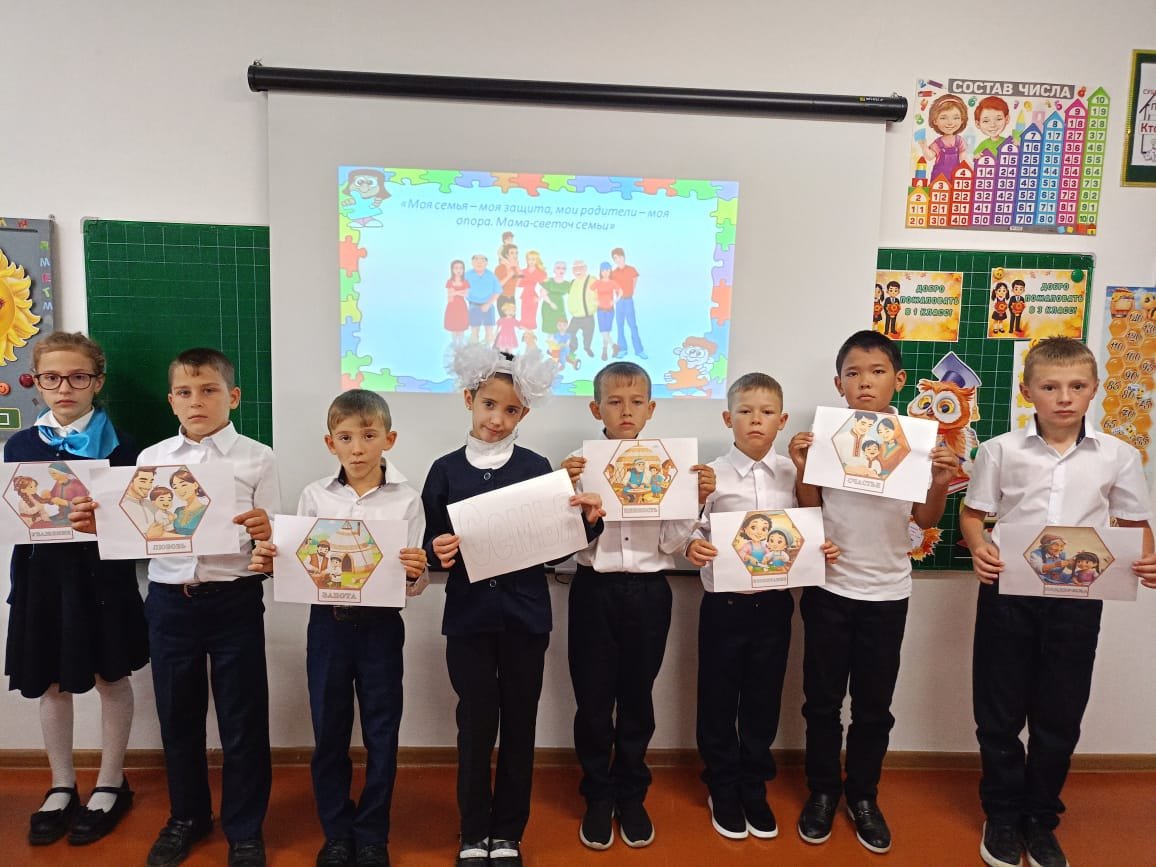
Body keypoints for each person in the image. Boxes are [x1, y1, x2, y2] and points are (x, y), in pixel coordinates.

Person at [73, 347, 279, 867]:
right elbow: (138, 531)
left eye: (209, 390)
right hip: (169, 603)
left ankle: (245, 828)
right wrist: (103, 527)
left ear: (233, 396)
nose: (197, 401)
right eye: (185, 392)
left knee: (243, 720)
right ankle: (187, 817)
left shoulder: (258, 458)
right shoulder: (151, 459)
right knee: (178, 717)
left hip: (234, 601)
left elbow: (274, 543)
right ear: (171, 401)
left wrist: (267, 533)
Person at [959, 336, 1156, 867]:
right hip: (1008, 595)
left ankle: (1040, 819)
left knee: (1060, 713)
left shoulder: (1118, 455)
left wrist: (1148, 559)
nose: (1064, 397)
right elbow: (974, 517)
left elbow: (1135, 525)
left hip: (1077, 601)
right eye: (1050, 387)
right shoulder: (999, 450)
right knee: (998, 712)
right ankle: (1002, 815)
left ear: (1094, 389)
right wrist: (979, 548)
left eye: (1076, 386)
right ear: (1027, 392)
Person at [423, 344, 605, 867]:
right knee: (475, 726)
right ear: (469, 399)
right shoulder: (444, 470)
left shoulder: (535, 467)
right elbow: (432, 545)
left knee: (520, 724)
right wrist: (438, 551)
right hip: (468, 620)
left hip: (525, 619)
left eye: (511, 410)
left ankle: (507, 833)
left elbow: (556, 546)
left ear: (524, 414)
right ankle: (472, 831)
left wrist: (588, 520)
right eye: (489, 405)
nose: (497, 419)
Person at [789, 330, 957, 854]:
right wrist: (802, 468)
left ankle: (863, 795)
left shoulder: (916, 443)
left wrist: (939, 481)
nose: (865, 382)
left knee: (874, 708)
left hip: (887, 594)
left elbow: (925, 519)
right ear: (838, 383)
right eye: (853, 374)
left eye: (877, 372)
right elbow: (810, 509)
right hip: (829, 589)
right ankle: (822, 791)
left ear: (898, 380)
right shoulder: (828, 438)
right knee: (821, 702)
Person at [250, 390, 429, 867]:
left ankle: (372, 835)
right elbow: (299, 564)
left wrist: (416, 572)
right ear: (330, 443)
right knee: (329, 732)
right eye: (346, 438)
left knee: (381, 733)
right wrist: (275, 561)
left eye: (369, 436)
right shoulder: (315, 495)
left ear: (388, 439)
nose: (357, 448)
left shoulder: (408, 499)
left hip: (380, 629)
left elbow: (413, 580)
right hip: (327, 626)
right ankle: (336, 832)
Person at [561, 361, 713, 851]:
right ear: (596, 409)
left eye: (636, 402)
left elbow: (671, 542)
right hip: (594, 591)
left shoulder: (670, 466)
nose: (625, 411)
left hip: (649, 593)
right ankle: (597, 793)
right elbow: (564, 546)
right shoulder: (575, 467)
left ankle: (631, 792)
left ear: (651, 409)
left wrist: (695, 498)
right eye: (614, 401)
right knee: (592, 702)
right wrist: (565, 495)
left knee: (637, 699)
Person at [6, 331, 147, 848]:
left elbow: (140, 525)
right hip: (42, 581)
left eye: (78, 377)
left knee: (112, 673)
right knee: (49, 681)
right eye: (52, 377)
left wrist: (103, 523)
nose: (65, 388)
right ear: (38, 383)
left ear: (97, 382)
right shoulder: (20, 446)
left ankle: (111, 781)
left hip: (103, 579)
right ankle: (61, 784)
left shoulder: (126, 447)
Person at [683, 373, 838, 841]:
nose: (756, 420)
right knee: (717, 698)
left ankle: (754, 783)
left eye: (767, 412)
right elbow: (688, 529)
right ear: (727, 418)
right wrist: (691, 545)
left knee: (763, 697)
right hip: (723, 606)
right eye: (745, 411)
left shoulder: (795, 472)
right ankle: (721, 784)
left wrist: (822, 546)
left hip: (774, 605)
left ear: (782, 420)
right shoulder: (709, 475)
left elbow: (811, 524)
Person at [920, 93, 969, 182]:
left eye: (956, 118)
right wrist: (923, 146)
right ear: (935, 120)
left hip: (956, 176)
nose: (950, 122)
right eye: (943, 118)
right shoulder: (938, 143)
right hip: (939, 176)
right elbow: (930, 157)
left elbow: (963, 160)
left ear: (962, 120)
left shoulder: (959, 141)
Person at [610, 248, 645, 359]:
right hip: (619, 302)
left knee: (632, 325)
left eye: (619, 257)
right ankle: (622, 349)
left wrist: (629, 292)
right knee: (620, 326)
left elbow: (634, 281)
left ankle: (639, 350)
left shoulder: (631, 269)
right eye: (615, 258)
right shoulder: (613, 273)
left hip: (628, 301)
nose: (618, 260)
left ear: (624, 257)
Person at [464, 254, 502, 346]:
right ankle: (474, 350)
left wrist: (488, 304)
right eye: (476, 260)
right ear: (472, 263)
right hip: (473, 305)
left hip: (488, 306)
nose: (479, 262)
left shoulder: (491, 275)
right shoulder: (466, 275)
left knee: (489, 331)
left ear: (486, 263)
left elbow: (498, 291)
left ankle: (488, 349)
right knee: (474, 330)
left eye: (482, 260)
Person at [565, 260, 598, 358]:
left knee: (588, 334)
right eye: (575, 268)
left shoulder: (592, 280)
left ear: (585, 268)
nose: (577, 270)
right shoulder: (571, 283)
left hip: (588, 316)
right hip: (575, 317)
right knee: (570, 333)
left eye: (580, 267)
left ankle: (587, 348)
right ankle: (572, 347)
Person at [169, 467, 208, 536]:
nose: (179, 490)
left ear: (195, 485)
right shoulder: (178, 511)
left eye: (183, 485)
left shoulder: (206, 510)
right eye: (175, 487)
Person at [592, 261, 618, 361]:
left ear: (610, 271)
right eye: (603, 270)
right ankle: (613, 346)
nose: (605, 272)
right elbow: (589, 292)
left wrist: (614, 301)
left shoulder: (612, 283)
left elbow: (620, 292)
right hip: (601, 310)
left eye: (607, 270)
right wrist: (594, 301)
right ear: (600, 272)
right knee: (603, 332)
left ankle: (604, 352)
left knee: (606, 332)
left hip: (610, 310)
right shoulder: (598, 283)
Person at [122, 466, 158, 533]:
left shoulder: (152, 505)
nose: (149, 487)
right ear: (129, 482)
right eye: (143, 481)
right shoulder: (121, 505)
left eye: (151, 482)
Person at [539, 260, 570, 337]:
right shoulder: (549, 281)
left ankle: (560, 343)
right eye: (558, 268)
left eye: (563, 268)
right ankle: (550, 344)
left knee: (562, 326)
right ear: (554, 270)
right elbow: (543, 293)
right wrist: (551, 303)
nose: (561, 270)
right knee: (550, 329)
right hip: (548, 306)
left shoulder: (567, 284)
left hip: (560, 306)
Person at [517, 250, 546, 330]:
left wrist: (539, 298)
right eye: (529, 259)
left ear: (537, 260)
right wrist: (519, 274)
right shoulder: (523, 271)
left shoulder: (540, 273)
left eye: (533, 259)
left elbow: (545, 287)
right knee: (524, 314)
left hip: (534, 296)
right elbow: (518, 284)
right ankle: (525, 334)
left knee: (531, 316)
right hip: (525, 295)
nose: (531, 261)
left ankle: (531, 334)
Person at [444, 259, 470, 346]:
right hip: (452, 306)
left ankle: (461, 345)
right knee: (454, 328)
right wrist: (459, 292)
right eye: (456, 268)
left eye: (461, 268)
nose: (458, 270)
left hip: (462, 306)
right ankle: (455, 345)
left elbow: (466, 294)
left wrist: (455, 292)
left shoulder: (465, 282)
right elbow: (450, 296)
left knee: (461, 327)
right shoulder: (449, 282)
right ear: (452, 270)